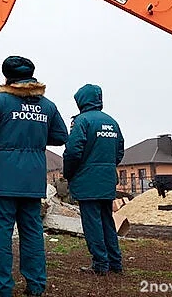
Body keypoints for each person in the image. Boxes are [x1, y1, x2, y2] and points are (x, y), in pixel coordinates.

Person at [0, 56, 68, 297]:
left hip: (4, 179)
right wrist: (34, 135)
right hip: (33, 179)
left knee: (2, 231)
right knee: (33, 231)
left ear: (7, 77)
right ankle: (35, 286)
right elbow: (61, 136)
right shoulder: (47, 105)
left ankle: (1, 286)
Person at [63, 84, 125, 276]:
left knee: (92, 224)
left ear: (81, 100)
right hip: (106, 180)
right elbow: (119, 151)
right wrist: (106, 166)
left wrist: (69, 173)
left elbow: (73, 152)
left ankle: (100, 264)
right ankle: (115, 262)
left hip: (87, 180)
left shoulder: (81, 122)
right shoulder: (112, 122)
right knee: (107, 221)